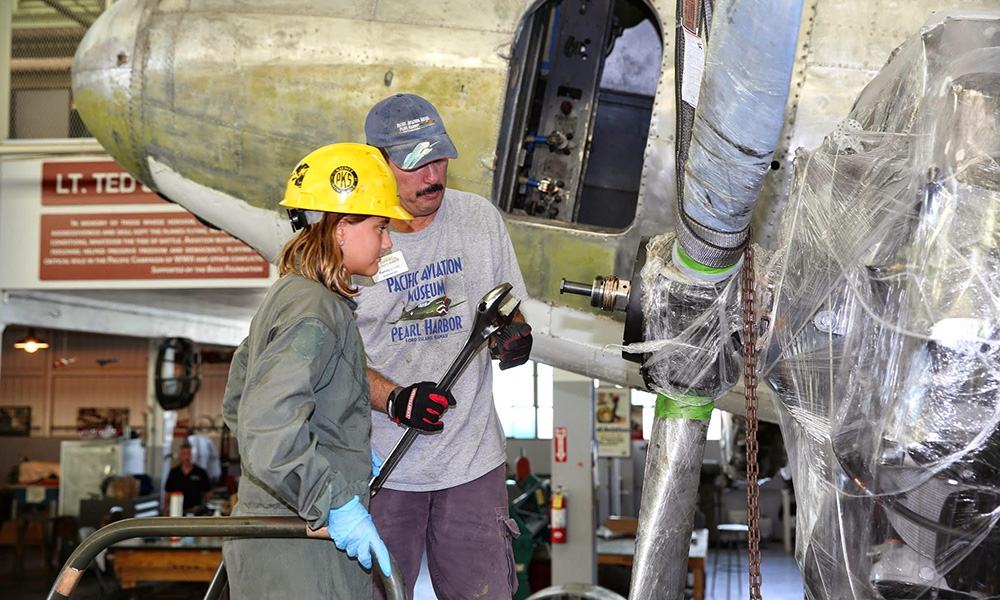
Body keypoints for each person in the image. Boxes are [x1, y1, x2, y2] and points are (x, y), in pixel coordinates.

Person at [358, 93, 534, 600]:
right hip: (382, 468)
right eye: (415, 165)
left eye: (438, 159)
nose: (433, 176)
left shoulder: (478, 219)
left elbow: (506, 305)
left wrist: (514, 332)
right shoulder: (354, 238)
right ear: (379, 163)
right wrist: (395, 397)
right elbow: (340, 358)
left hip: (472, 463)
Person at [221, 143, 412, 599]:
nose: (388, 242)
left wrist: (339, 449)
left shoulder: (292, 295)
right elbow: (266, 428)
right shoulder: (315, 310)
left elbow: (238, 404)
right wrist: (332, 500)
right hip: (301, 554)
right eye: (381, 227)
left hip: (280, 538)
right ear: (342, 229)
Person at [164, 441, 212, 513]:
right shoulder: (174, 473)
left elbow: (208, 493)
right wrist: (165, 509)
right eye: (184, 454)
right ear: (180, 456)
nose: (187, 457)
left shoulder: (200, 472)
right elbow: (167, 492)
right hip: (177, 510)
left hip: (196, 511)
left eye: (189, 454)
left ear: (192, 455)